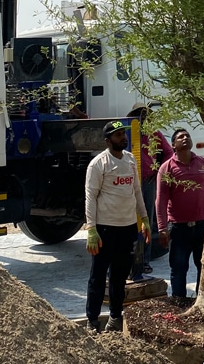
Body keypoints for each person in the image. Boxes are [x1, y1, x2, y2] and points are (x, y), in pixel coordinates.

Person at [84, 120, 151, 333]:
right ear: (108, 140)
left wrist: (145, 219)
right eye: (118, 135)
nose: (123, 137)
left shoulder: (130, 160)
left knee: (120, 277)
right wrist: (91, 229)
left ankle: (115, 318)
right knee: (98, 276)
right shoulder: (98, 164)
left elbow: (137, 192)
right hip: (105, 229)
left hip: (128, 227)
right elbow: (90, 196)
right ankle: (92, 321)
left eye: (123, 133)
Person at [155, 128, 204, 297]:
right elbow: (161, 199)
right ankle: (179, 301)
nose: (185, 138)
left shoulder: (203, 163)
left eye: (187, 135)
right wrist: (162, 228)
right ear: (173, 145)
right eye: (181, 137)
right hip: (179, 228)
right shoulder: (167, 169)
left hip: (201, 226)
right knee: (179, 268)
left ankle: (200, 300)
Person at [127, 102, 173, 274]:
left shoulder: (154, 134)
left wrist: (159, 169)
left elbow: (169, 152)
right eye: (140, 114)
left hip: (147, 182)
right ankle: (127, 259)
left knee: (146, 220)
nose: (144, 118)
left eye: (146, 115)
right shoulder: (127, 131)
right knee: (128, 221)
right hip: (128, 183)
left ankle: (144, 260)